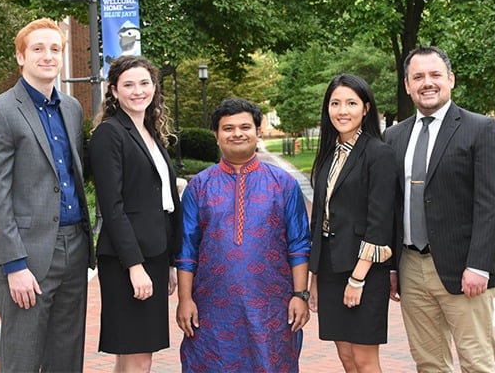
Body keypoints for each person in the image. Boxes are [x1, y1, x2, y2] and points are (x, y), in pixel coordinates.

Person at [0, 17, 95, 372]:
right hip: (30, 253)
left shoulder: (71, 109)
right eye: (38, 49)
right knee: (23, 359)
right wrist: (14, 265)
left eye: (55, 49)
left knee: (67, 357)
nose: (48, 56)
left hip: (75, 248)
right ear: (20, 57)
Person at [385, 45, 495, 372]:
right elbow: (392, 205)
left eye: (435, 75)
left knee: (477, 362)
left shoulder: (481, 128)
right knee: (428, 362)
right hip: (411, 267)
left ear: (450, 79)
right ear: (407, 85)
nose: (427, 82)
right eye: (418, 77)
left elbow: (494, 202)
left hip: (464, 267)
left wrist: (480, 265)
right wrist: (393, 268)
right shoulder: (393, 137)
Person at [175, 98, 311, 372]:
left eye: (245, 126)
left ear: (258, 131)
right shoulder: (199, 187)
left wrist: (300, 295)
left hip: (272, 306)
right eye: (228, 128)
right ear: (216, 135)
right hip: (212, 307)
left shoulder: (283, 184)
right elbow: (186, 250)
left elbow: (299, 245)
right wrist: (185, 300)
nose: (237, 133)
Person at [88, 55, 182, 373]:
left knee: (133, 355)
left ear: (154, 87)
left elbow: (163, 200)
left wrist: (168, 261)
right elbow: (112, 207)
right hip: (128, 260)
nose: (137, 91)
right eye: (128, 85)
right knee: (138, 356)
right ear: (114, 91)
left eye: (144, 83)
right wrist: (135, 266)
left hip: (153, 254)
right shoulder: (109, 134)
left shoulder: (150, 133)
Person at [308, 74, 397, 372]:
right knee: (346, 356)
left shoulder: (379, 154)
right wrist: (315, 277)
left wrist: (357, 279)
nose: (342, 111)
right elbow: (319, 218)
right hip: (332, 269)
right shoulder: (328, 155)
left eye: (351, 103)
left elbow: (380, 222)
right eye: (335, 103)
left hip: (365, 271)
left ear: (366, 108)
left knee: (364, 359)